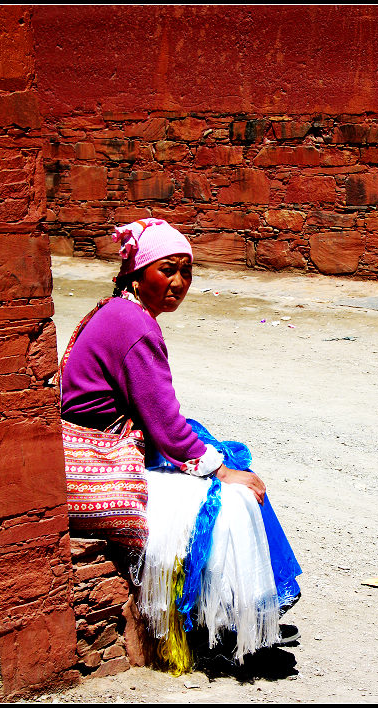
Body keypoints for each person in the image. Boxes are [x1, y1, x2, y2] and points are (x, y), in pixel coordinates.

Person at [60, 218, 301, 673]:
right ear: (137, 273)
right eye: (166, 269)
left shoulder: (115, 312)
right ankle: (241, 617)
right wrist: (219, 470)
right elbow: (168, 427)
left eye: (186, 272)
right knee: (234, 490)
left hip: (115, 435)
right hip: (109, 453)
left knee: (226, 456)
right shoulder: (134, 327)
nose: (178, 283)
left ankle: (254, 607)